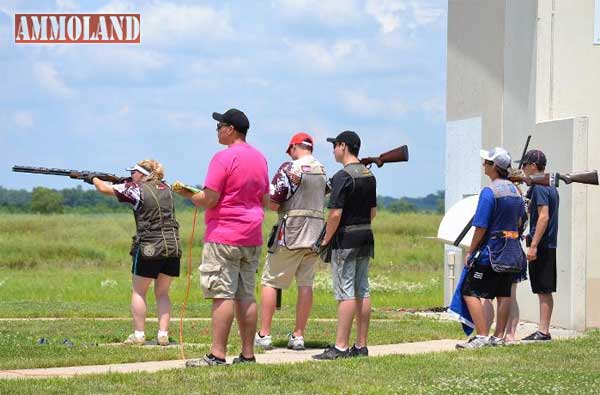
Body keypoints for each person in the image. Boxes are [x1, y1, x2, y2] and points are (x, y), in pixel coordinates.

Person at [175, 108, 269, 366]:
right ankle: (248, 354)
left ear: (230, 130)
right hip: (252, 235)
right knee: (246, 295)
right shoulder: (260, 159)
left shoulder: (222, 158)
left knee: (222, 294)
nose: (216, 131)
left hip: (224, 234)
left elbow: (210, 198)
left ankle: (217, 354)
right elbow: (265, 199)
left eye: (219, 126)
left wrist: (186, 193)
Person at [88, 159, 181, 346]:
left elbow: (104, 190)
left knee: (139, 291)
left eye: (134, 172)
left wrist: (94, 179)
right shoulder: (167, 188)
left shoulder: (136, 189)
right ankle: (163, 334)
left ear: (143, 174)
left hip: (149, 246)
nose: (132, 175)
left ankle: (139, 335)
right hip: (172, 245)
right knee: (162, 293)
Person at [255, 132, 327, 351]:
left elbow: (275, 204)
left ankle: (264, 334)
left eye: (290, 150)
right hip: (315, 233)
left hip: (291, 233)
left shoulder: (290, 168)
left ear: (295, 147)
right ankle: (298, 335)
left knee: (270, 280)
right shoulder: (322, 169)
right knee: (305, 284)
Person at [312, 131, 377, 360]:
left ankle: (340, 347)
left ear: (343, 146)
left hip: (346, 240)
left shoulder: (342, 176)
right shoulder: (369, 174)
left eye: (334, 145)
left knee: (345, 292)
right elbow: (373, 213)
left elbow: (335, 214)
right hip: (365, 236)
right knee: (362, 290)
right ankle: (361, 345)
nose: (333, 150)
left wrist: (325, 239)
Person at [456, 147, 527, 349]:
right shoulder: (516, 191)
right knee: (504, 294)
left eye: (486, 162)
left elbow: (481, 226)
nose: (483, 165)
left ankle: (481, 336)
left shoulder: (489, 192)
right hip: (512, 252)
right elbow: (522, 221)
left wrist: (471, 251)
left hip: (491, 252)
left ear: (494, 167)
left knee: (469, 291)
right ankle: (498, 338)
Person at [521, 149, 559, 341]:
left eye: (525, 165)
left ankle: (543, 331)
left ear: (534, 166)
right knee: (544, 289)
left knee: (543, 290)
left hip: (542, 245)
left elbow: (543, 217)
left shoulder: (540, 188)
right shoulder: (548, 186)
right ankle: (543, 330)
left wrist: (534, 245)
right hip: (547, 244)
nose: (523, 169)